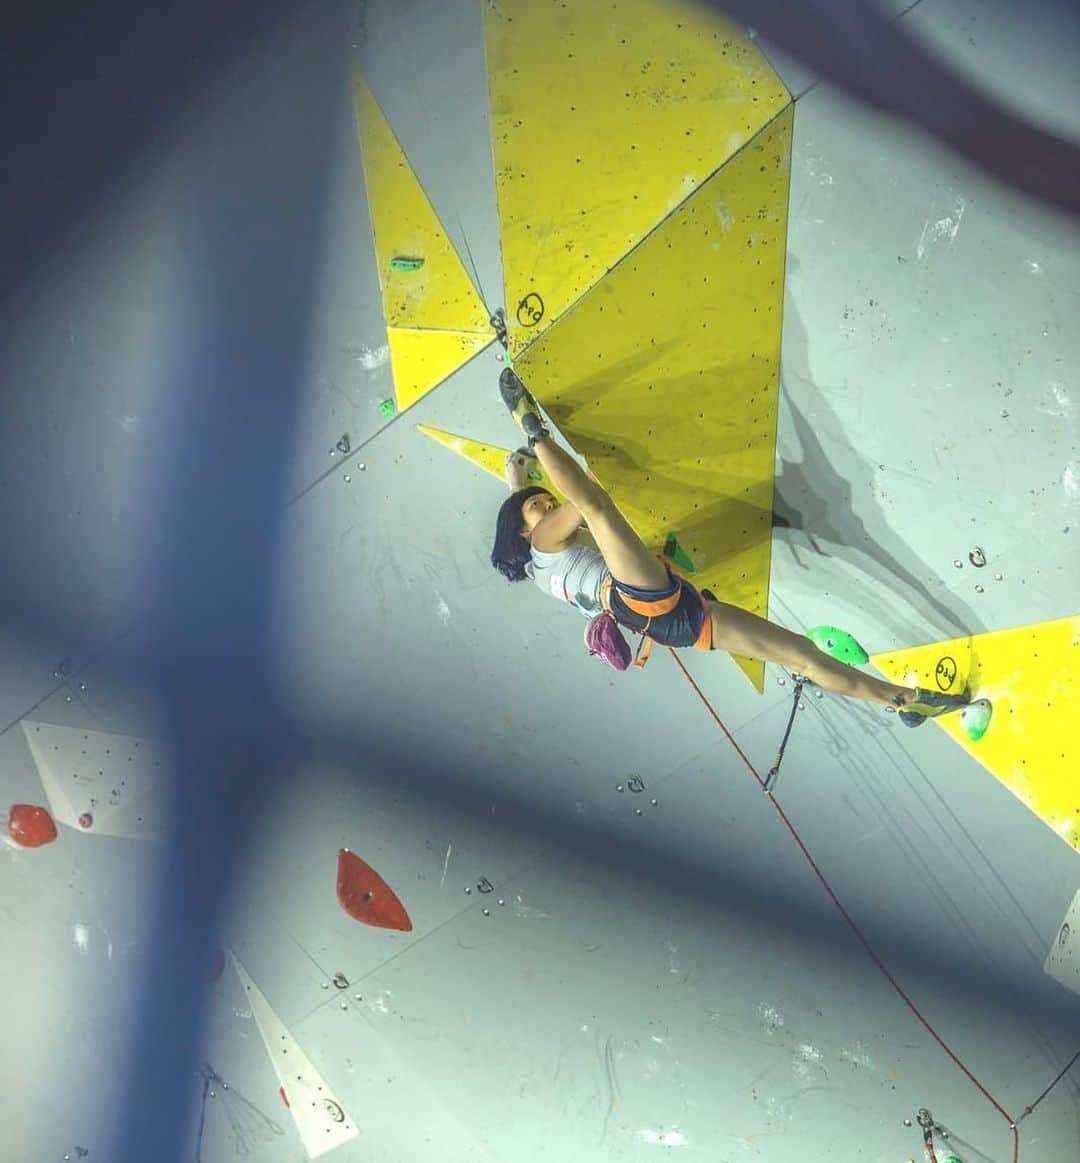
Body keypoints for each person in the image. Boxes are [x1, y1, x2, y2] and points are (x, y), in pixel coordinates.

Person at [491, 368, 971, 725]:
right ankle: (532, 423)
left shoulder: (539, 570)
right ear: (523, 532)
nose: (549, 506)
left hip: (674, 620)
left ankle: (904, 703)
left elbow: (534, 509)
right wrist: (534, 445)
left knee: (802, 654)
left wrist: (518, 483)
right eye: (540, 505)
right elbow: (586, 498)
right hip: (633, 595)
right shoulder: (542, 544)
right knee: (596, 508)